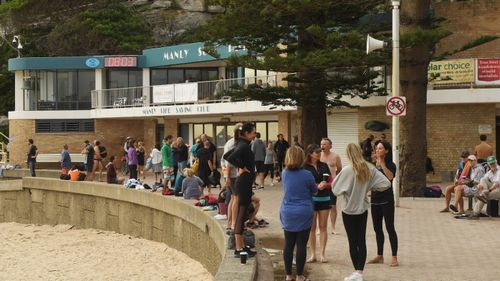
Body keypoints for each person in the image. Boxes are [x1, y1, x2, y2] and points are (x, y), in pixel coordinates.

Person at [333, 143, 390, 281]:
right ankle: (359, 272)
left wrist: (346, 191)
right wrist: (370, 188)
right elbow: (386, 184)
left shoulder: (346, 170)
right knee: (361, 240)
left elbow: (335, 189)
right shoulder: (370, 168)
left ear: (347, 154)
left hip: (348, 210)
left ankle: (357, 273)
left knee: (353, 242)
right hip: (362, 209)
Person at [280, 145, 317, 281]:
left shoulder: (284, 173)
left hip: (287, 211)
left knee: (288, 244)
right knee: (302, 244)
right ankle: (300, 275)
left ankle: (288, 275)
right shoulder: (307, 174)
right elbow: (314, 191)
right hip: (304, 211)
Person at [224, 122, 257, 259]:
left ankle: (242, 246)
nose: (255, 134)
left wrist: (242, 166)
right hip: (243, 183)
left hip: (245, 182)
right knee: (241, 214)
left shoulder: (243, 144)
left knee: (243, 215)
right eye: (253, 132)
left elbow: (226, 156)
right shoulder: (243, 145)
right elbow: (229, 158)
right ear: (247, 133)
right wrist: (242, 166)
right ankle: (238, 248)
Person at [367, 140, 399, 267]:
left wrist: (383, 164)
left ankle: (394, 256)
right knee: (377, 228)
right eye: (376, 148)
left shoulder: (391, 164)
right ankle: (380, 255)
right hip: (375, 199)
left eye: (380, 148)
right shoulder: (372, 165)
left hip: (387, 199)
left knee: (390, 227)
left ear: (386, 151)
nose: (378, 150)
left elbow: (390, 177)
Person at [304, 144, 331, 263]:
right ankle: (313, 254)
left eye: (320, 152)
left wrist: (326, 185)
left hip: (325, 198)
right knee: (312, 228)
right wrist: (316, 186)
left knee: (323, 227)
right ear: (310, 154)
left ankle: (323, 254)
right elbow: (304, 183)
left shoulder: (324, 165)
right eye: (317, 152)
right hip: (311, 200)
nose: (319, 154)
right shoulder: (304, 167)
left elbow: (331, 180)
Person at [221, 123, 243, 231]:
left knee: (232, 199)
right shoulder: (233, 144)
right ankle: (233, 223)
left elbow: (223, 161)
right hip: (233, 174)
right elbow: (228, 162)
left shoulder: (230, 143)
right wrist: (228, 177)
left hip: (230, 174)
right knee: (236, 198)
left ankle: (229, 223)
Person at [320, 137, 342, 235]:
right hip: (321, 184)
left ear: (330, 146)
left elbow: (339, 168)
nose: (322, 146)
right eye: (321, 144)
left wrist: (334, 178)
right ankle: (319, 227)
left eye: (324, 144)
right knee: (319, 206)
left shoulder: (335, 156)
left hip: (332, 184)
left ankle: (333, 227)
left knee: (333, 206)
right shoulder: (318, 156)